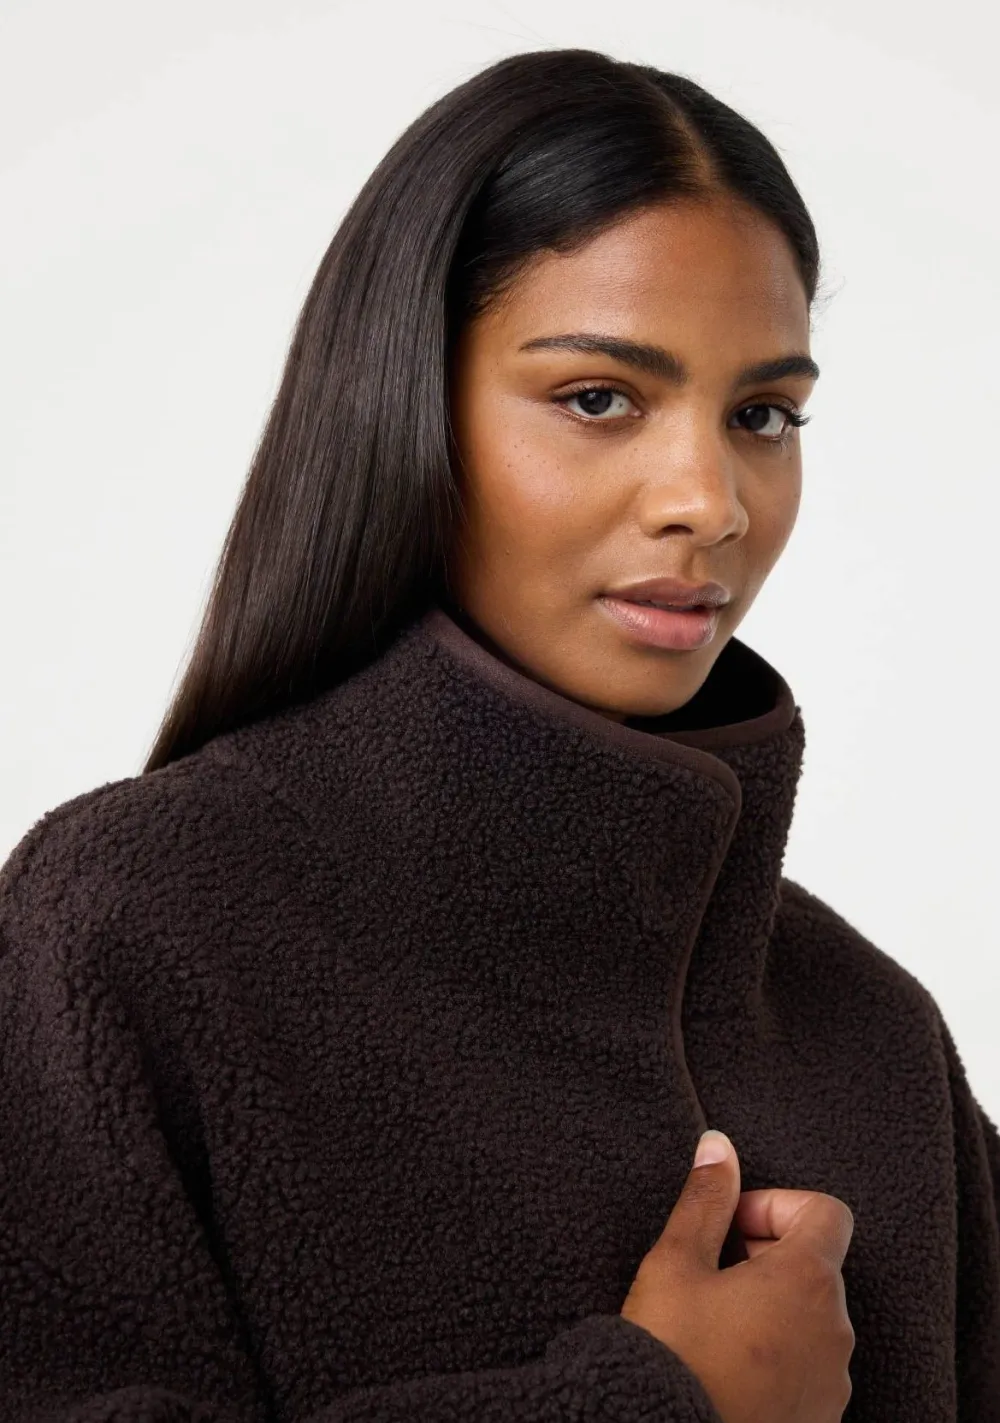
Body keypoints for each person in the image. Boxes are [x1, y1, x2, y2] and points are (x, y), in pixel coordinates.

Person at [1, 46, 996, 1423]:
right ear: (406, 407)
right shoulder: (128, 927)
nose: (711, 500)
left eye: (763, 414)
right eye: (598, 398)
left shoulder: (872, 1035)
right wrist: (661, 1404)